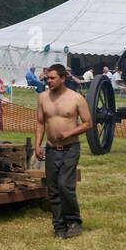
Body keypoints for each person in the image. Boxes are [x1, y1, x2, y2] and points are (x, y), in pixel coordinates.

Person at [34, 63, 92, 238]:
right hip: (51, 149)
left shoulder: (76, 99)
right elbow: (40, 123)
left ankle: (74, 221)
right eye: (47, 77)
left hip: (70, 148)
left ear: (63, 78)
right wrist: (38, 144)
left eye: (52, 78)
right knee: (53, 189)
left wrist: (69, 132)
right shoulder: (43, 98)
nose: (48, 81)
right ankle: (59, 226)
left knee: (65, 186)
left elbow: (88, 124)